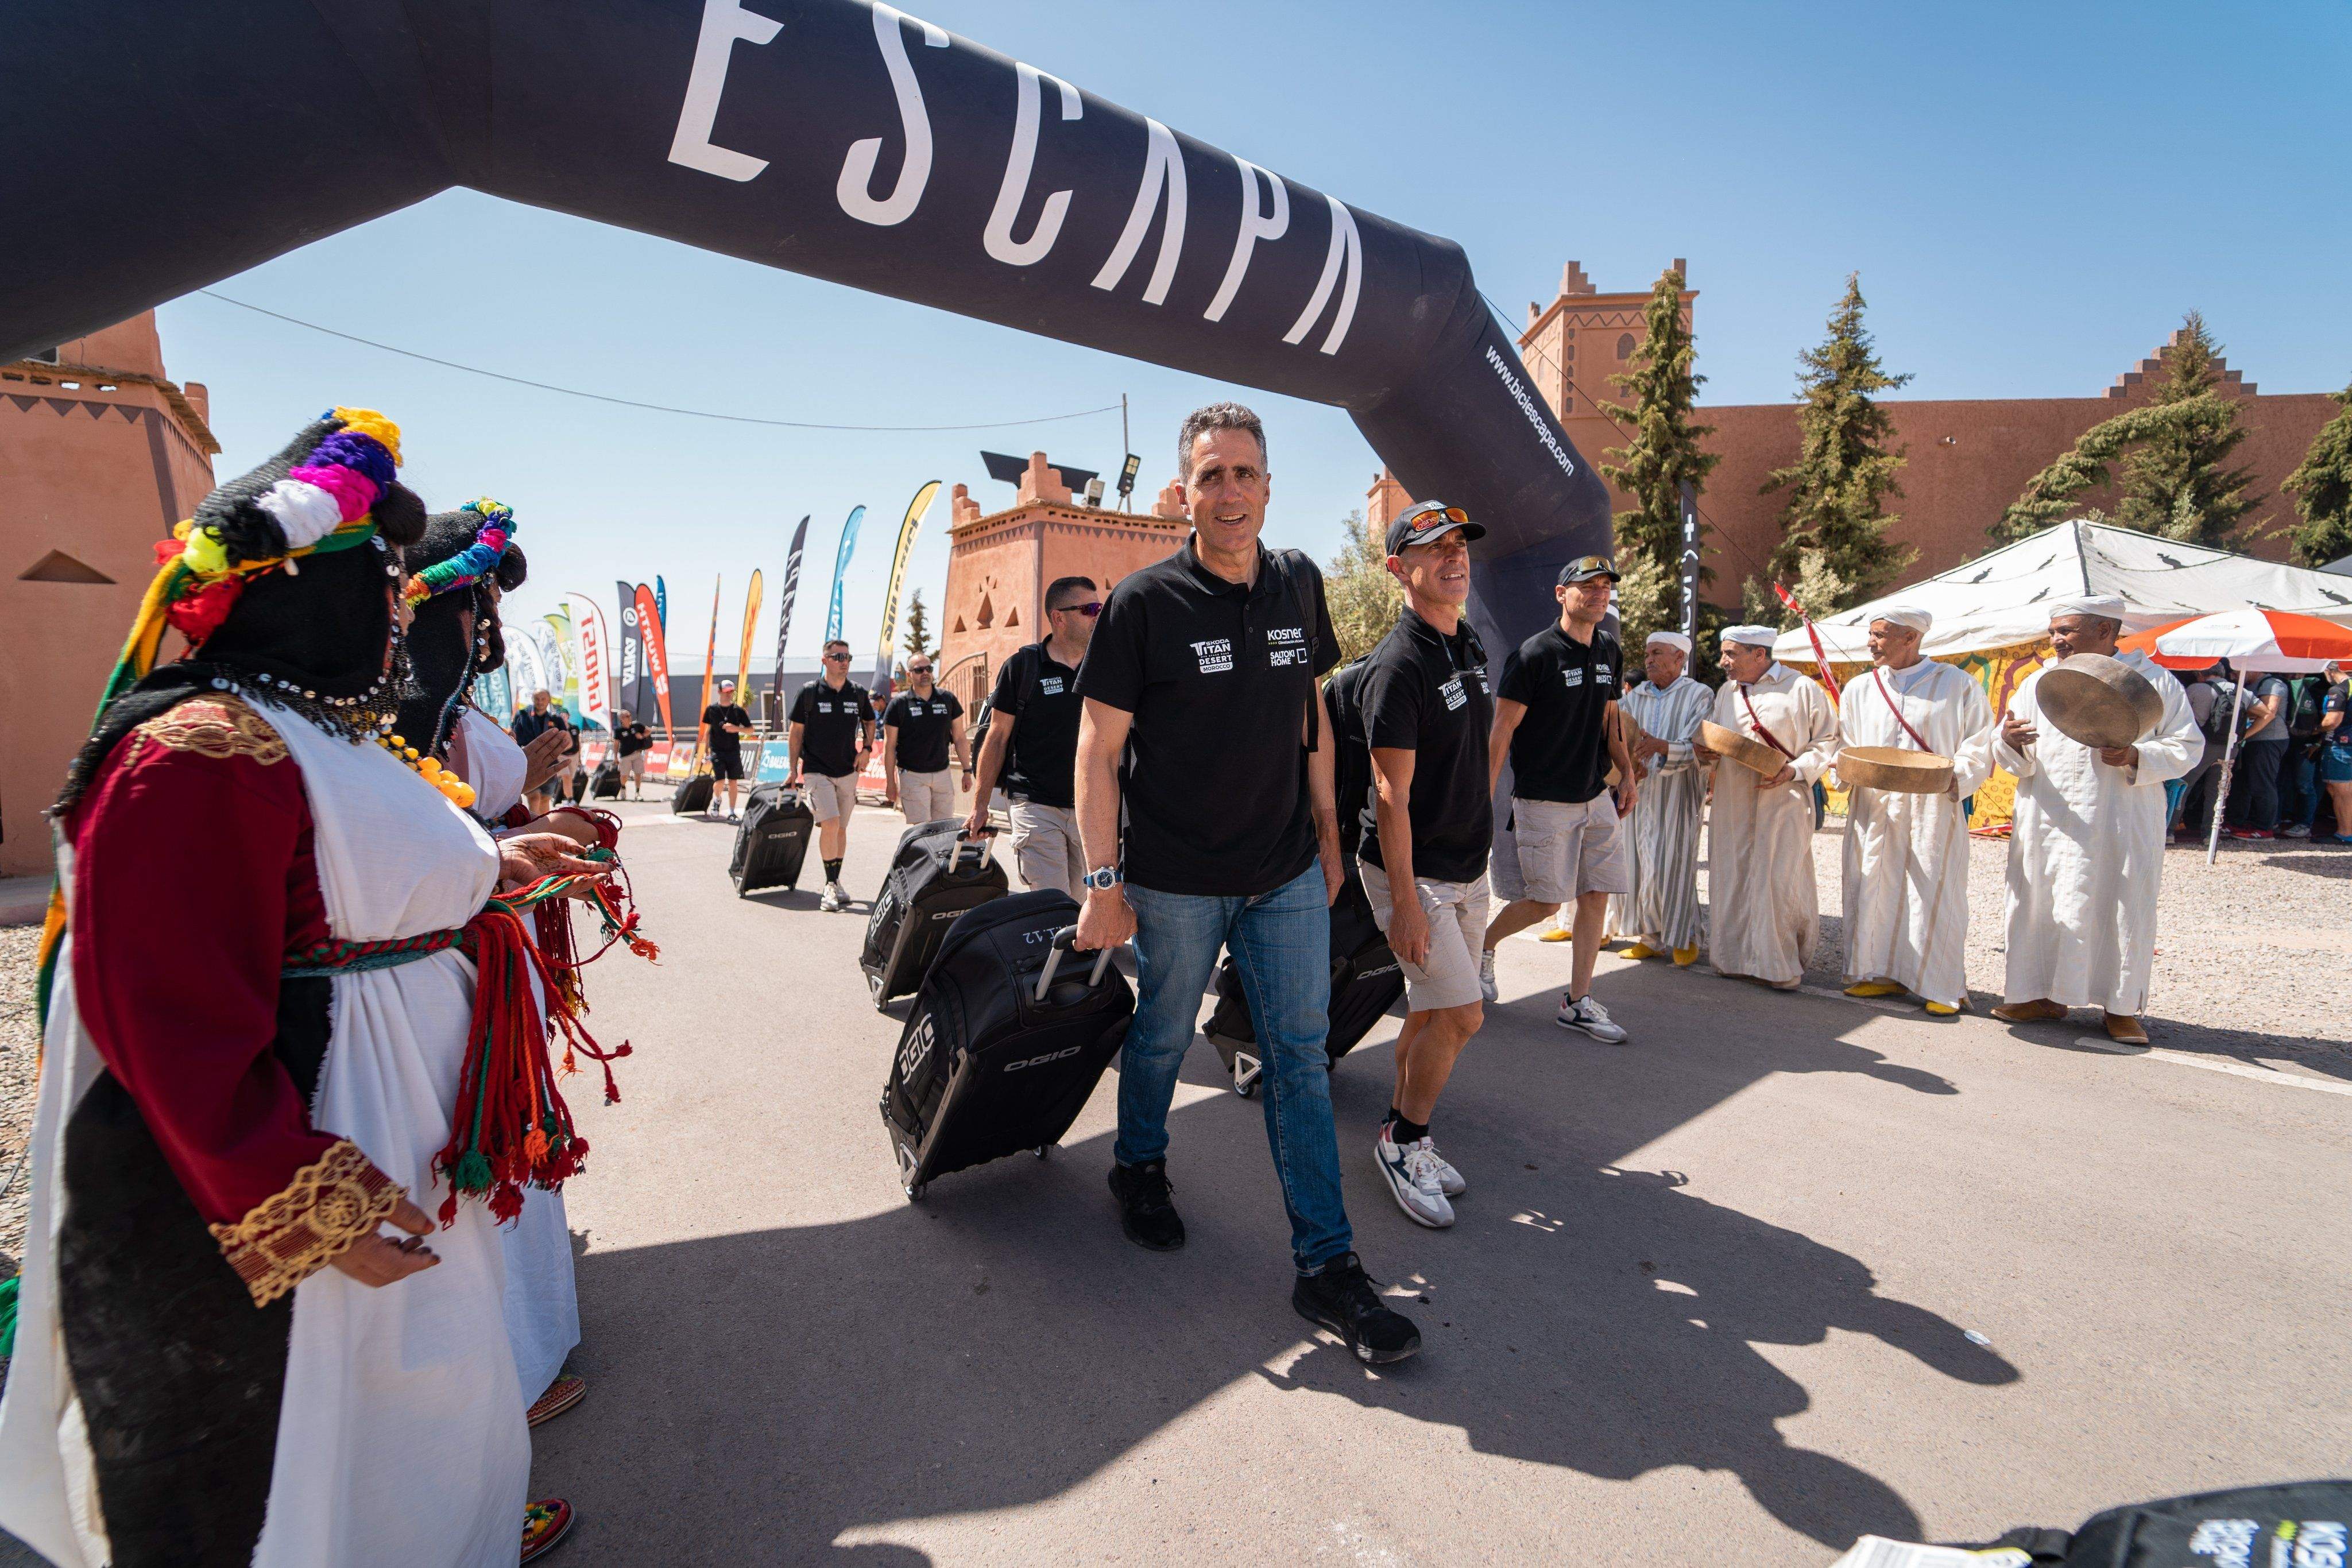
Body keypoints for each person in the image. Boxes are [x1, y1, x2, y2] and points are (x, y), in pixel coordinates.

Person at [0, 409, 585, 1566]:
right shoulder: (199, 748)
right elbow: (161, 1013)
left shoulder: (321, 733)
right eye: (385, 587)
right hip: (328, 1145)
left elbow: (357, 881)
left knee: (420, 1405)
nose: (401, 614)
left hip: (404, 1140)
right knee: (327, 1430)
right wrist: (300, 1197)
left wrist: (497, 865)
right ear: (313, 593)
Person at [1072, 401, 1419, 1365]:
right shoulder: (1144, 603)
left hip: (1284, 873)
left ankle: (1328, 1265)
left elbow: (1310, 708)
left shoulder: (1299, 581)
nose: (1229, 491)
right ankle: (1139, 1165)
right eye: (1211, 475)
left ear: (1268, 486)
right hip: (1176, 879)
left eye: (1245, 473)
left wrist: (1327, 831)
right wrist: (1103, 880)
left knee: (1299, 1058)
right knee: (1162, 1031)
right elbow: (1097, 751)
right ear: (1185, 491)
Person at [1355, 501, 1492, 1229]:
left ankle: (1398, 1125)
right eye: (1434, 548)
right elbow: (1390, 795)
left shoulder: (1465, 641)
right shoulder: (1398, 664)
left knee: (1434, 1009)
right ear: (1397, 569)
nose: (1453, 556)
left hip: (1468, 866)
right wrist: (1406, 904)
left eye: (1458, 545)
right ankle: (1405, 1143)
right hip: (1416, 874)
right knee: (1464, 1015)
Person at [1989, 596, 2203, 1046]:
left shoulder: (2153, 682)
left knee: (2120, 903)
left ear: (2105, 630)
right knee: (2042, 901)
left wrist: (2137, 755)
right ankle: (2039, 995)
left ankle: (2119, 1008)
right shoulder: (2038, 681)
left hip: (2120, 817)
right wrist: (2007, 739)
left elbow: (2187, 746)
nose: (2055, 639)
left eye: (2066, 630)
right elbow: (2010, 745)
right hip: (2051, 817)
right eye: (2053, 630)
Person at [1479, 555, 1638, 1043]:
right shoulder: (1534, 655)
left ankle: (1578, 1001)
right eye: (1587, 586)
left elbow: (1610, 718)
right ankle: (1483, 945)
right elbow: (1502, 731)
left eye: (1605, 587)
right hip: (1544, 799)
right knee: (1547, 902)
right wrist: (1481, 800)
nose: (1598, 594)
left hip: (1595, 795)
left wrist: (1627, 773)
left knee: (1595, 894)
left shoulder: (1609, 649)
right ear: (1561, 594)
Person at [1832, 607, 1995, 1015]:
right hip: (1874, 806)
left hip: (1933, 807)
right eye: (1871, 634)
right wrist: (1842, 768)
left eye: (1880, 635)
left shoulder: (1957, 684)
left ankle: (1941, 985)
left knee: (1933, 891)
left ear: (1911, 638)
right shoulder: (1860, 689)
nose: (1871, 642)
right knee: (1873, 885)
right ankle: (1877, 972)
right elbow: (1846, 744)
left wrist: (1956, 777)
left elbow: (1980, 743)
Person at [1695, 626, 1842, 992]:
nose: (1723, 661)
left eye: (1731, 654)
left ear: (1759, 654)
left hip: (1784, 798)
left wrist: (1795, 770)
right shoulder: (1727, 692)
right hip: (1733, 798)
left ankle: (1780, 965)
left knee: (1779, 879)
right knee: (1733, 874)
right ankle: (1735, 960)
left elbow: (1828, 741)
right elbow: (1717, 739)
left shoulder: (1802, 688)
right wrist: (1706, 752)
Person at [966, 575, 1098, 899]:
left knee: (1086, 906)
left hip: (1093, 806)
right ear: (1059, 618)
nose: (1099, 615)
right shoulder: (1023, 667)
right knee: (1053, 903)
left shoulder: (1106, 666)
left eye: (1100, 608)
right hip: (1035, 805)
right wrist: (980, 806)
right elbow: (997, 738)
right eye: (1090, 609)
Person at [1608, 630, 1713, 967]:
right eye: (1647, 653)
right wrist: (1627, 766)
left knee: (1674, 865)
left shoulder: (1699, 694)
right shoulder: (1634, 697)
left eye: (1657, 653)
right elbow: (1616, 733)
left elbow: (1700, 744)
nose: (1649, 660)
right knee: (1640, 865)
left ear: (1679, 658)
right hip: (1638, 792)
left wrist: (1662, 747)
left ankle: (1685, 937)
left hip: (1678, 794)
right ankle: (1650, 939)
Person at [789, 638, 876, 911]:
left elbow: (870, 721)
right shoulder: (810, 692)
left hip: (848, 771)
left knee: (841, 828)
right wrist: (792, 770)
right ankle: (829, 885)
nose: (844, 662)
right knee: (830, 823)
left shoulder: (858, 693)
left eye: (847, 657)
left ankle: (836, 881)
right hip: (817, 770)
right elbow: (796, 732)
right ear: (824, 660)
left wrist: (867, 749)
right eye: (838, 657)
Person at [884, 655, 970, 823]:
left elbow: (960, 738)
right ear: (909, 674)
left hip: (942, 774)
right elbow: (890, 747)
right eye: (919, 670)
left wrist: (967, 771)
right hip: (913, 775)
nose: (925, 673)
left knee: (943, 828)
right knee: (922, 829)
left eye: (928, 669)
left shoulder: (948, 699)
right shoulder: (899, 704)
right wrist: (890, 782)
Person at [2225, 665, 2292, 839]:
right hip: (2253, 741)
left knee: (2262, 783)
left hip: (2269, 740)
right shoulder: (2253, 685)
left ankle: (2265, 828)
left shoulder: (2272, 684)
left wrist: (2243, 736)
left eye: (2236, 672)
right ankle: (2237, 822)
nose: (2233, 676)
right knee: (2243, 782)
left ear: (2252, 668)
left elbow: (2269, 713)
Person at [2278, 663, 2335, 838]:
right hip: (2285, 742)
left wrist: (2318, 743)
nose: (2295, 673)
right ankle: (2280, 818)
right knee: (2283, 782)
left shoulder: (2316, 691)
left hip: (2307, 746)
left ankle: (2305, 824)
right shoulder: (2284, 686)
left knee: (2305, 785)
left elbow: (2329, 722)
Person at [701, 676, 755, 821]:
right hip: (717, 750)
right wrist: (705, 751)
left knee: (733, 781)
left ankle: (731, 811)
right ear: (719, 692)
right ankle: (717, 799)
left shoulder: (738, 711)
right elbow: (708, 731)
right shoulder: (711, 709)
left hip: (733, 750)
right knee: (719, 780)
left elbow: (751, 730)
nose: (729, 694)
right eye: (726, 691)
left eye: (731, 691)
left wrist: (736, 728)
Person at [2320, 666, 2352, 843]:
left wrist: (2316, 728)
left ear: (2330, 670)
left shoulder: (2339, 689)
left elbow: (2332, 722)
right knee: (2343, 789)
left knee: (2341, 789)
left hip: (2342, 744)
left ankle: (2345, 833)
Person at [613, 706, 653, 799]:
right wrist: (615, 757)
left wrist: (642, 736)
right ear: (622, 719)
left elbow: (649, 731)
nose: (630, 717)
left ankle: (637, 793)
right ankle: (623, 788)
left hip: (637, 754)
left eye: (630, 715)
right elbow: (616, 744)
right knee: (624, 776)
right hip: (625, 756)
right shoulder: (619, 731)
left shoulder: (636, 726)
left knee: (638, 774)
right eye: (627, 716)